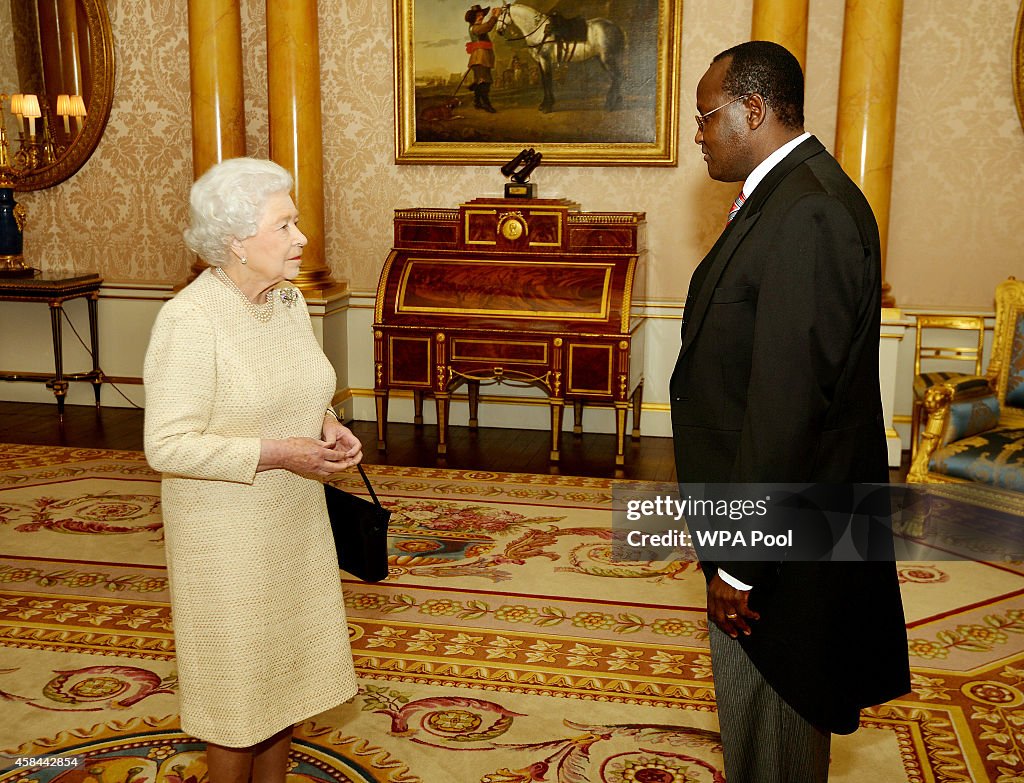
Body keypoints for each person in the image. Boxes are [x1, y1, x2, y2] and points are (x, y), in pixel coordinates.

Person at [669, 41, 911, 781]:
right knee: (755, 731)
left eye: (707, 116)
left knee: (774, 725)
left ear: (753, 110)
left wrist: (740, 563)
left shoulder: (809, 211)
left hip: (784, 542)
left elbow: (788, 404)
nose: (699, 134)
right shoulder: (788, 196)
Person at [144, 157, 363, 783]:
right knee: (238, 698)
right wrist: (279, 452)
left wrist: (325, 425)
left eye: (297, 223)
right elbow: (166, 445)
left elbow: (298, 381)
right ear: (237, 241)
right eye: (285, 225)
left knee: (284, 680)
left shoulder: (288, 302)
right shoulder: (189, 320)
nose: (301, 239)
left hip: (293, 519)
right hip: (225, 534)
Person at [465, 4, 500, 112]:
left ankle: (477, 101)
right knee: (485, 82)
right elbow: (488, 27)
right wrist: (495, 16)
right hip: (480, 59)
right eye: (478, 15)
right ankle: (486, 104)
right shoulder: (475, 28)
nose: (481, 17)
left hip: (483, 58)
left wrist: (493, 14)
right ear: (473, 18)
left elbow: (486, 25)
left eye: (482, 15)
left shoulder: (477, 27)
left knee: (481, 81)